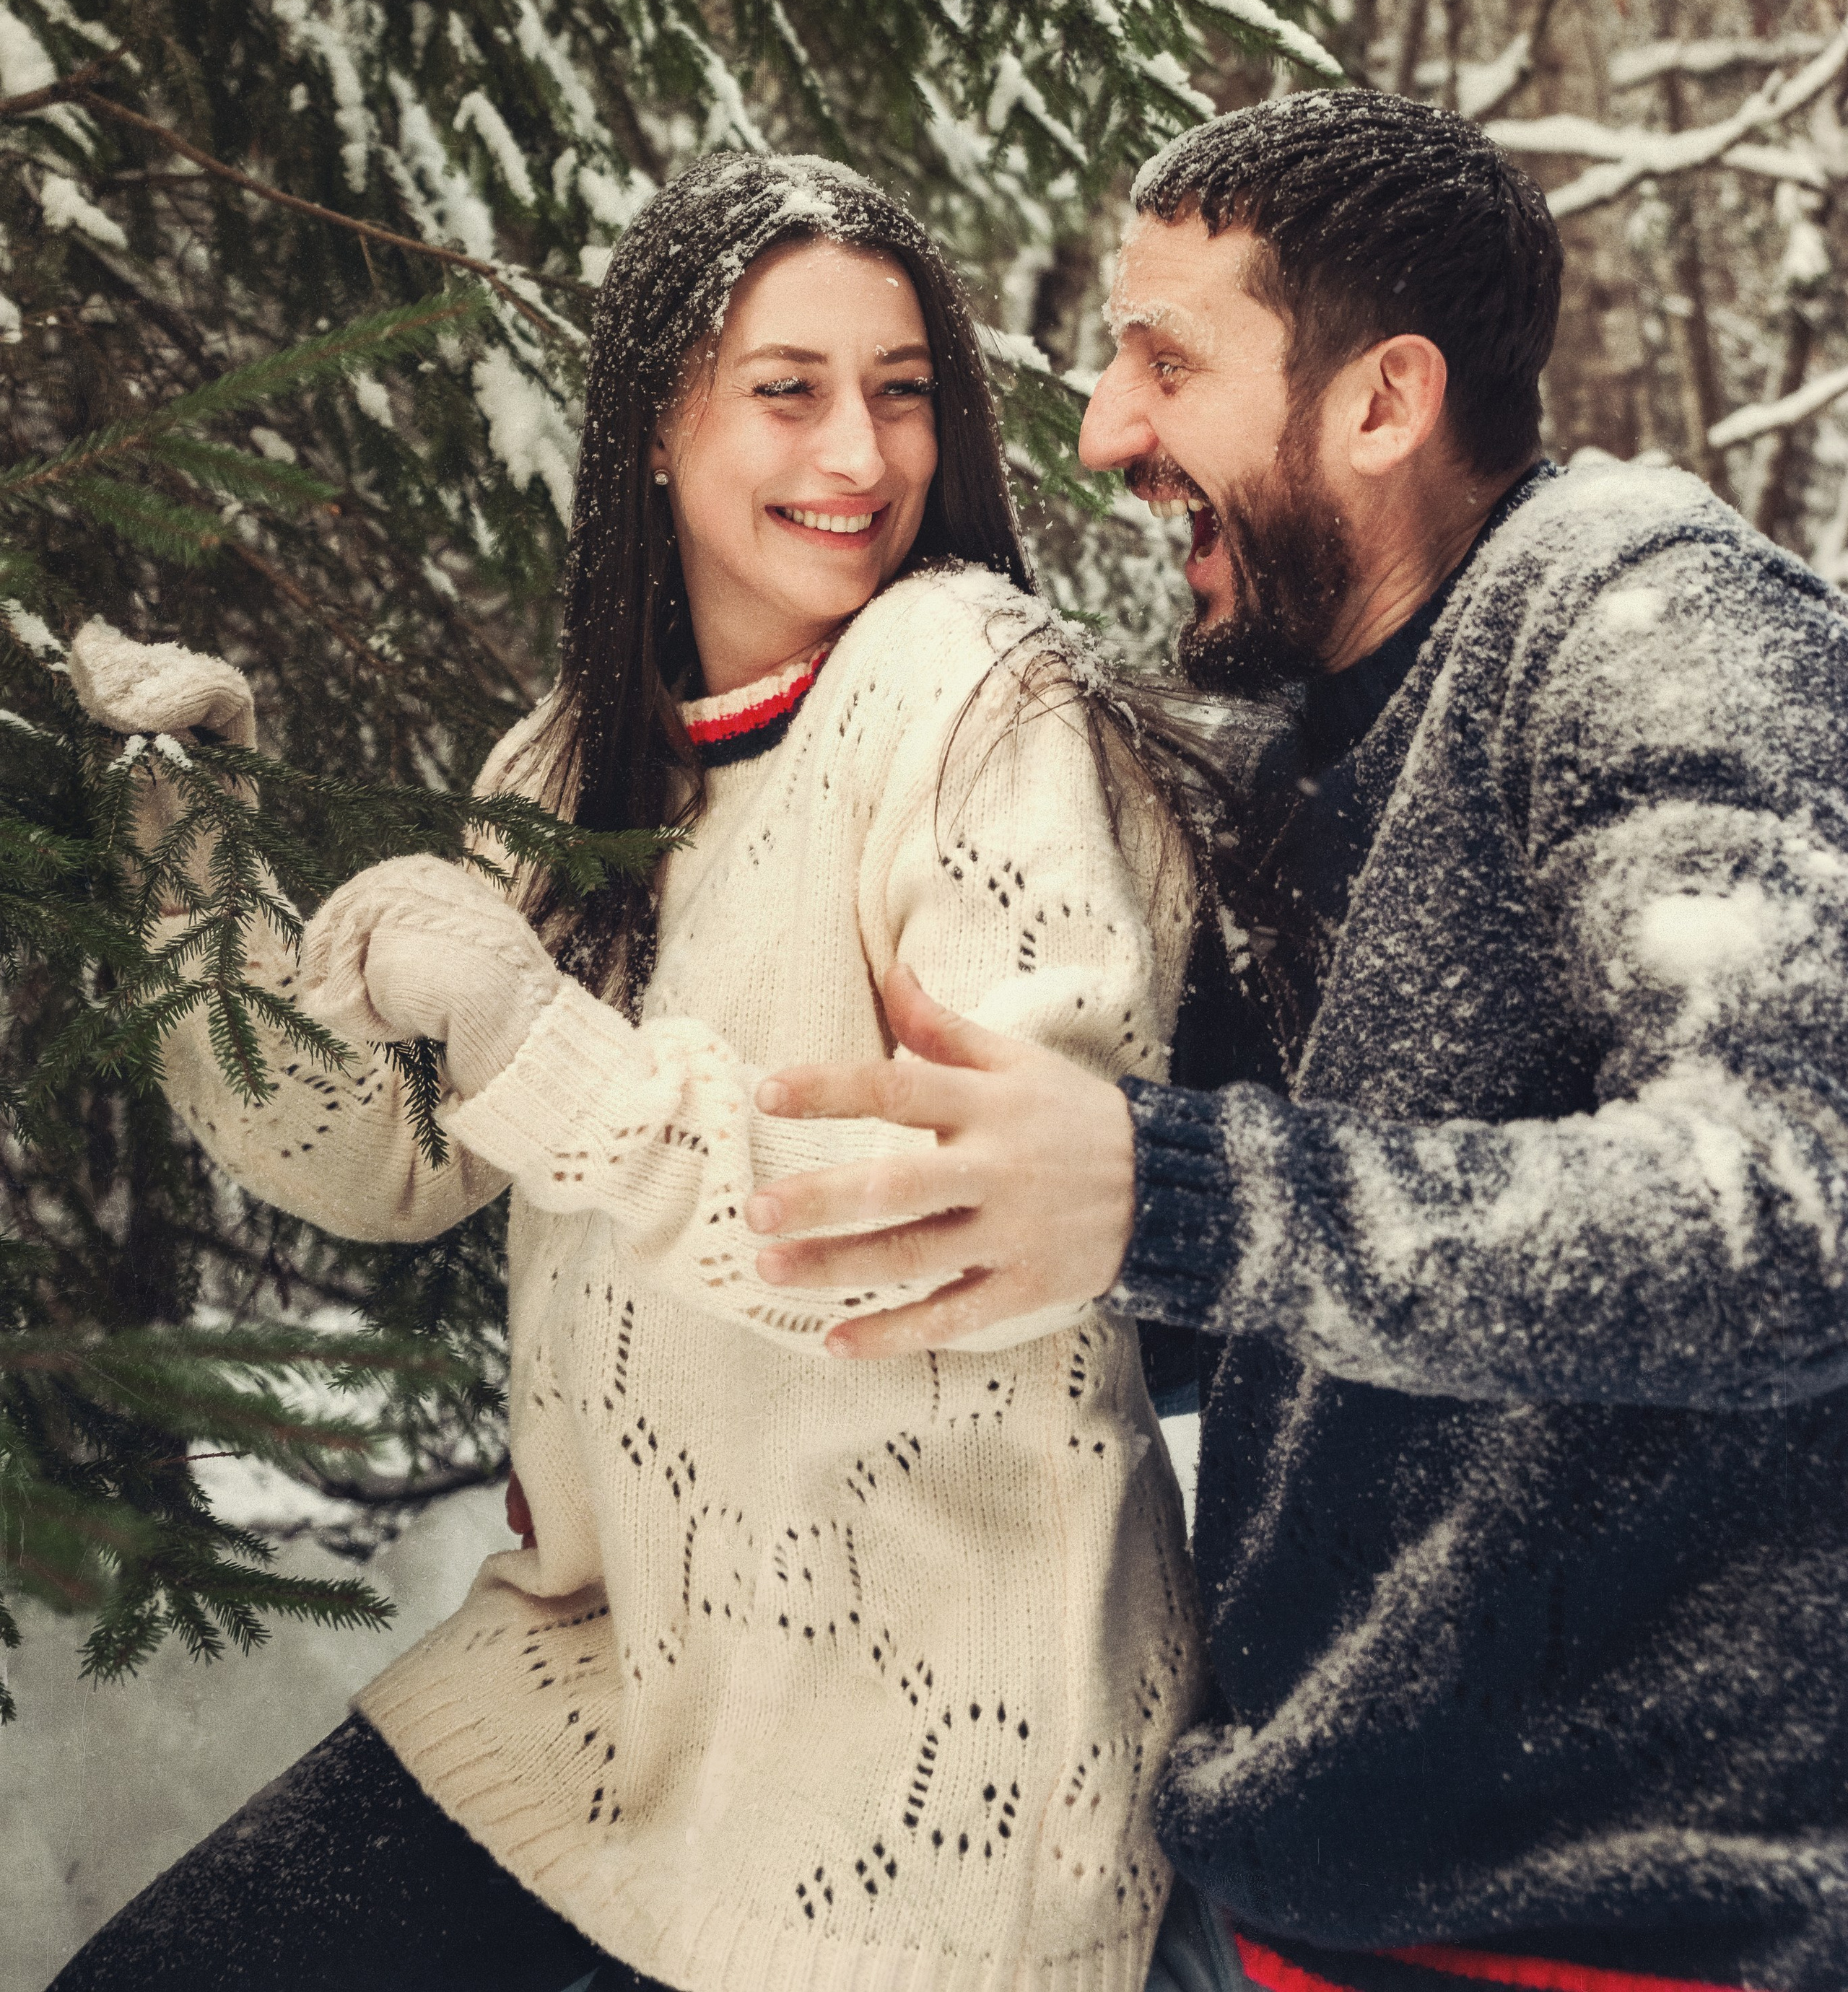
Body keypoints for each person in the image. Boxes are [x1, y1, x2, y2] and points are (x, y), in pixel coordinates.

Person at [56, 152, 1216, 1992]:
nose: (858, 454)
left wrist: (529, 1030)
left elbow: (969, 1245)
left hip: (917, 1788)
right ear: (654, 431)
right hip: (591, 1695)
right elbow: (373, 1156)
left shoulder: (971, 683)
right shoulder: (576, 758)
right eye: (788, 389)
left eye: (900, 389)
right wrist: (175, 834)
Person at [745, 91, 1848, 1992]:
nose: (1103, 431)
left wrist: (1171, 1187)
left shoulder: (1648, 613)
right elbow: (1286, 1294)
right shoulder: (1289, 749)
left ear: (1381, 400)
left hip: (1639, 1921)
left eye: (1167, 359)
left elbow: (1792, 1215)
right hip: (1307, 1893)